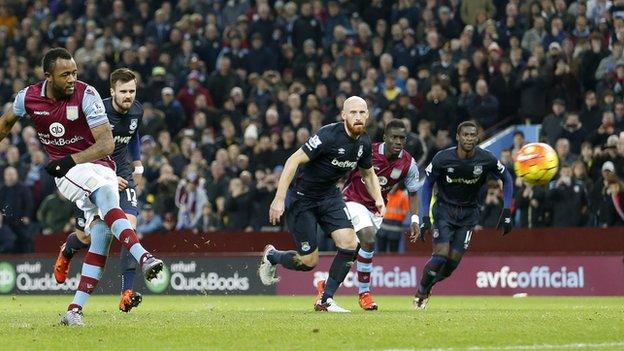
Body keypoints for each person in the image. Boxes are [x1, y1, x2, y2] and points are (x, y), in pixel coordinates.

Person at [0, 48, 162, 326]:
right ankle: (144, 256)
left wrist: (67, 159)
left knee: (101, 234)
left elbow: (107, 144)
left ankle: (73, 310)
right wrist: (67, 164)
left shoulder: (87, 95)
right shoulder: (27, 98)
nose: (73, 78)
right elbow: (5, 123)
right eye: (66, 74)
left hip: (97, 166)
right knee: (104, 206)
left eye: (75, 72)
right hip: (72, 174)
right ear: (48, 76)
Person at [258, 96, 385, 313]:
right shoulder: (328, 136)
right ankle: (272, 256)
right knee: (309, 262)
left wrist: (379, 198)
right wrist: (279, 198)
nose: (358, 117)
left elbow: (368, 173)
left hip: (329, 197)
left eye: (362, 113)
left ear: (367, 116)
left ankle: (325, 299)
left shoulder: (364, 142)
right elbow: (293, 160)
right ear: (343, 115)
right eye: (353, 112)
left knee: (350, 244)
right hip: (302, 198)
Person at [53, 68, 147, 313]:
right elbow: (82, 145)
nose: (128, 96)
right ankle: (69, 249)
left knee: (128, 225)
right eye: (123, 91)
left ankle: (127, 291)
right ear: (112, 91)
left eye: (132, 91)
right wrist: (106, 177)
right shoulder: (98, 111)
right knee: (87, 237)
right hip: (94, 175)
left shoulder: (137, 109)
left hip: (123, 176)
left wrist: (137, 164)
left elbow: (133, 134)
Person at [415, 121, 513, 309]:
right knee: (440, 256)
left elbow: (506, 178)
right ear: (458, 137)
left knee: (451, 265)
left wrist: (507, 210)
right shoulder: (442, 158)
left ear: (477, 137)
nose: (469, 138)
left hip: (468, 215)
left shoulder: (486, 159)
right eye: (465, 135)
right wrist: (425, 217)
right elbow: (427, 185)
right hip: (444, 210)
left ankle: (430, 283)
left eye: (472, 135)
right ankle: (421, 290)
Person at [336, 119, 421, 310]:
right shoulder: (367, 151)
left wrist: (415, 219)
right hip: (352, 200)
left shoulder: (408, 163)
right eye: (394, 137)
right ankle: (364, 294)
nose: (398, 142)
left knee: (355, 250)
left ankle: (327, 287)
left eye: (402, 138)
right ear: (385, 138)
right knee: (368, 238)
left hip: (376, 209)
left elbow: (413, 192)